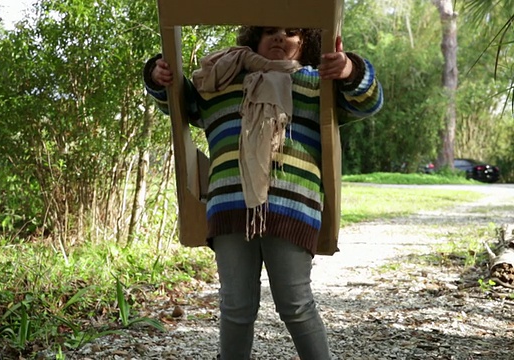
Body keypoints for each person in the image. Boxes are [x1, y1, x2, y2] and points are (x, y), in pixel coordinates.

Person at [143, 26, 383, 360]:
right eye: (270, 31)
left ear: (305, 43)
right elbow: (178, 102)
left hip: (292, 207)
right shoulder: (222, 80)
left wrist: (349, 70)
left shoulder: (317, 83)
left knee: (295, 304)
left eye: (292, 32)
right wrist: (157, 76)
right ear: (254, 37)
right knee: (236, 307)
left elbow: (368, 102)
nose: (280, 37)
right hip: (229, 207)